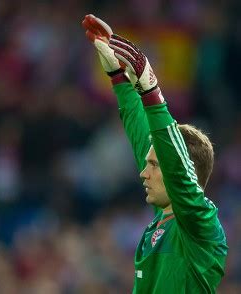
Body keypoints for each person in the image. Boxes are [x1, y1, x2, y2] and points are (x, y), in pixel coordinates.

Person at [81, 15, 228, 293]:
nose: (142, 172)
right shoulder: (163, 216)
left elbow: (175, 167)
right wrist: (120, 79)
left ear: (183, 170)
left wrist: (152, 92)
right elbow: (142, 139)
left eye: (154, 166)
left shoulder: (200, 226)